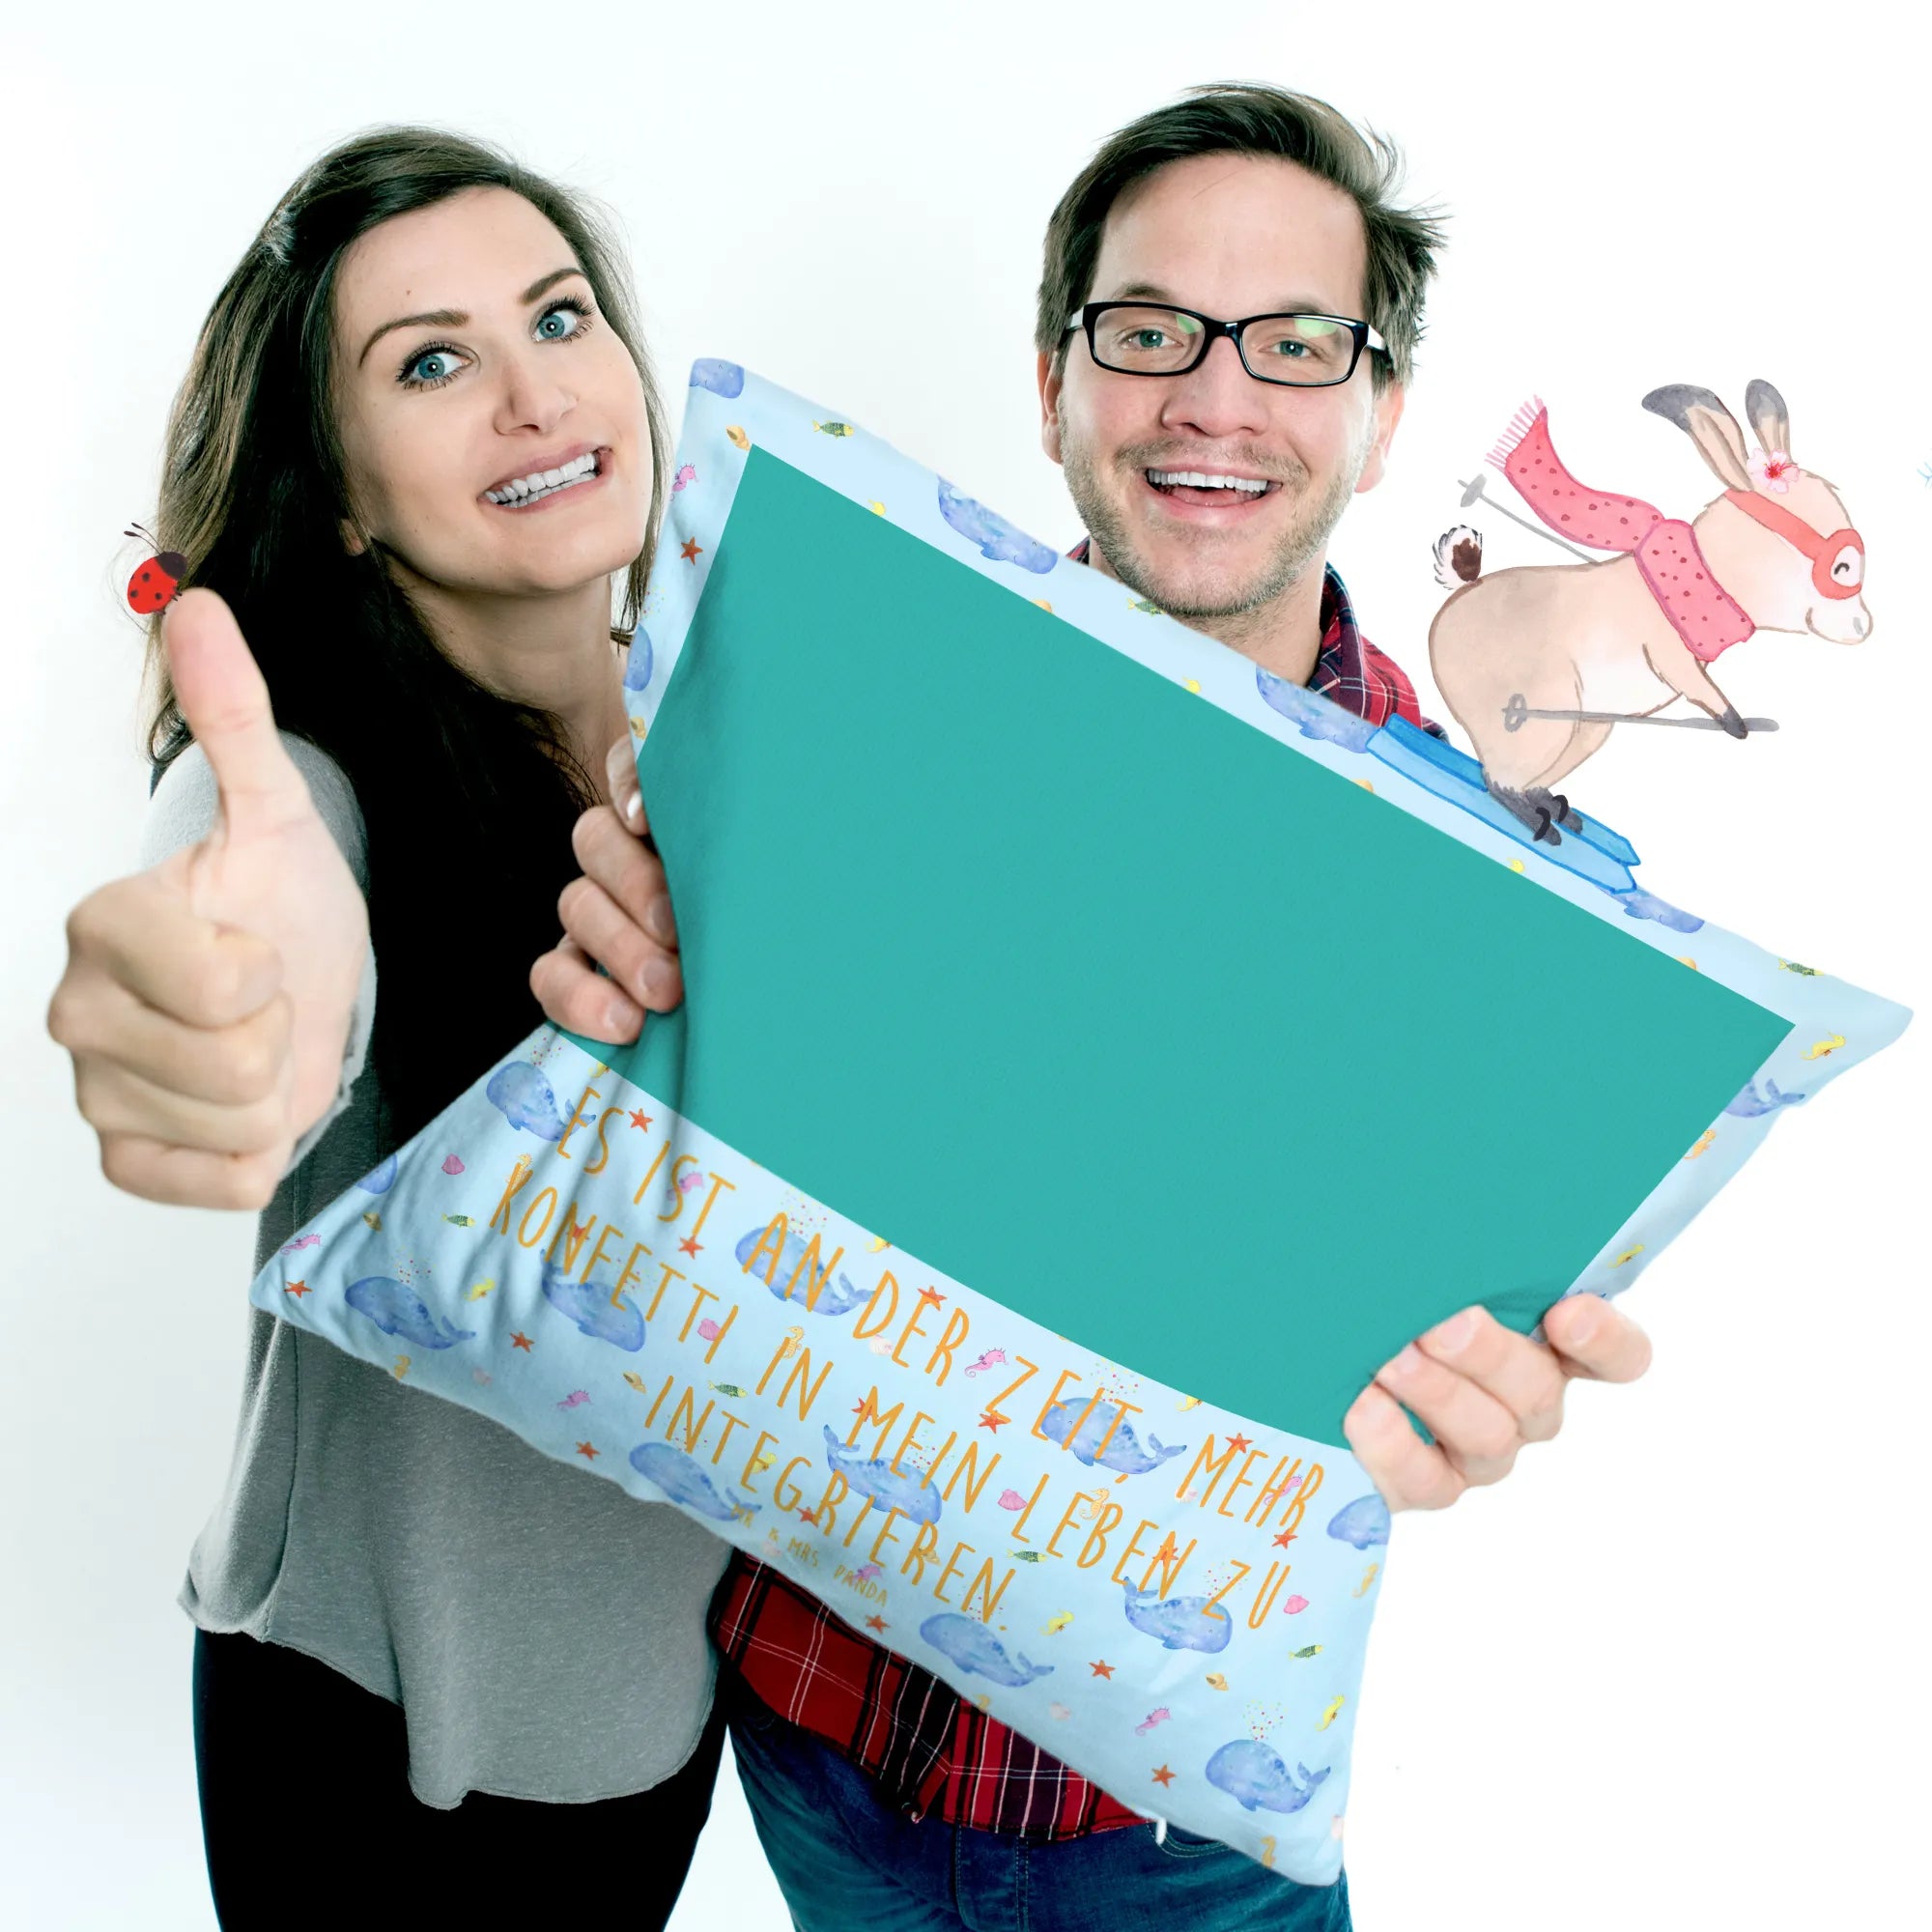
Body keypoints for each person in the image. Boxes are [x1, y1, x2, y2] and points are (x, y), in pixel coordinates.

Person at [530, 83, 1657, 1931]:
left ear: (1380, 419)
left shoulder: (1490, 901)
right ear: (1055, 384)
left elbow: (1417, 1345)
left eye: (1296, 343)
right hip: (807, 1744)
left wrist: (1475, 1387)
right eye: (1150, 333)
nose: (1216, 398)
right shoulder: (849, 726)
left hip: (1180, 1834)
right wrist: (627, 1010)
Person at [45, 129, 731, 1929]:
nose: (532, 394)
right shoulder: (310, 781)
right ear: (342, 495)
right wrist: (223, 1000)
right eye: (431, 363)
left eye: (559, 318)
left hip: (661, 1713)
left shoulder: (732, 751)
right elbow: (255, 898)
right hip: (378, 1743)